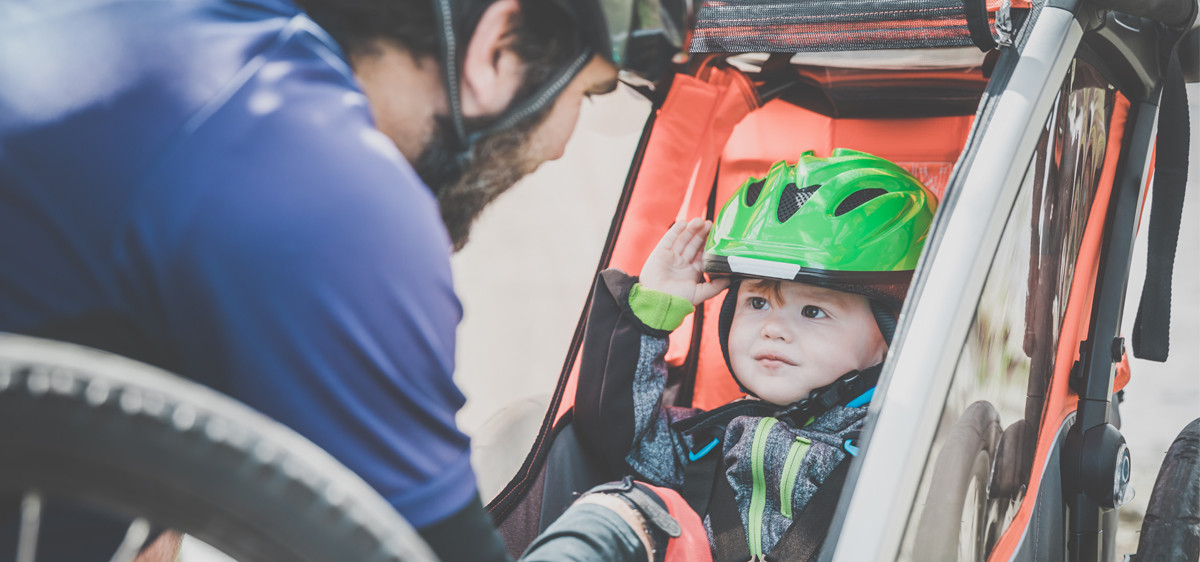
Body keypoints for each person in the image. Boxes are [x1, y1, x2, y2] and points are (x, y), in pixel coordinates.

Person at [0, 0, 691, 559]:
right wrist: (606, 525)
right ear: (499, 46)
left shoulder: (153, 37)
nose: (564, 144)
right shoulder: (317, 178)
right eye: (590, 96)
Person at [572, 149, 938, 560]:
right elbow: (614, 431)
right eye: (758, 303)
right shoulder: (709, 440)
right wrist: (653, 311)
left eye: (813, 311)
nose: (773, 329)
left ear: (891, 334)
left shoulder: (902, 447)